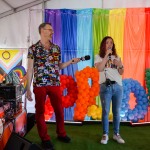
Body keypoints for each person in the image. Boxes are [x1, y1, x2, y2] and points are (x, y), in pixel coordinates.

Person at [26, 22, 80, 150]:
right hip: (40, 84)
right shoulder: (32, 49)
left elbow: (59, 66)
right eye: (49, 29)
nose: (52, 32)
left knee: (59, 110)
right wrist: (27, 88)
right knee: (40, 112)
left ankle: (61, 134)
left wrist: (70, 62)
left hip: (55, 83)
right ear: (42, 31)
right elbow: (29, 70)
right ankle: (45, 139)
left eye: (52, 29)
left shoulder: (56, 48)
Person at [94, 36, 125, 144]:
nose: (109, 44)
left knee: (117, 111)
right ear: (104, 45)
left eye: (111, 43)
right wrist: (107, 55)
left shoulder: (117, 57)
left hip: (118, 87)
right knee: (106, 111)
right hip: (105, 87)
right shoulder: (98, 57)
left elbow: (121, 72)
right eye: (107, 43)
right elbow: (99, 69)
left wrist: (120, 65)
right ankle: (105, 134)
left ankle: (116, 134)